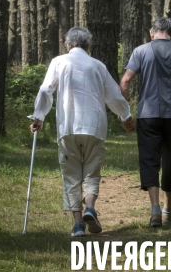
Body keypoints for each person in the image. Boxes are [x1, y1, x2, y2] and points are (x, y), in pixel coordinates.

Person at [29, 27, 135, 237]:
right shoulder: (98, 65)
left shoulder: (59, 62)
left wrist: (38, 116)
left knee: (71, 175)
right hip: (94, 127)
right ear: (88, 45)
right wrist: (126, 116)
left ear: (67, 45)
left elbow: (45, 90)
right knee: (91, 172)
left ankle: (78, 224)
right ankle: (90, 208)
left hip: (67, 128)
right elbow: (113, 96)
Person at [120, 17, 171, 228]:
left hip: (148, 115)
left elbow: (125, 81)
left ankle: (154, 210)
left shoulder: (141, 51)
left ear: (151, 33)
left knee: (149, 159)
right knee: (169, 159)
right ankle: (167, 210)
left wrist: (125, 114)